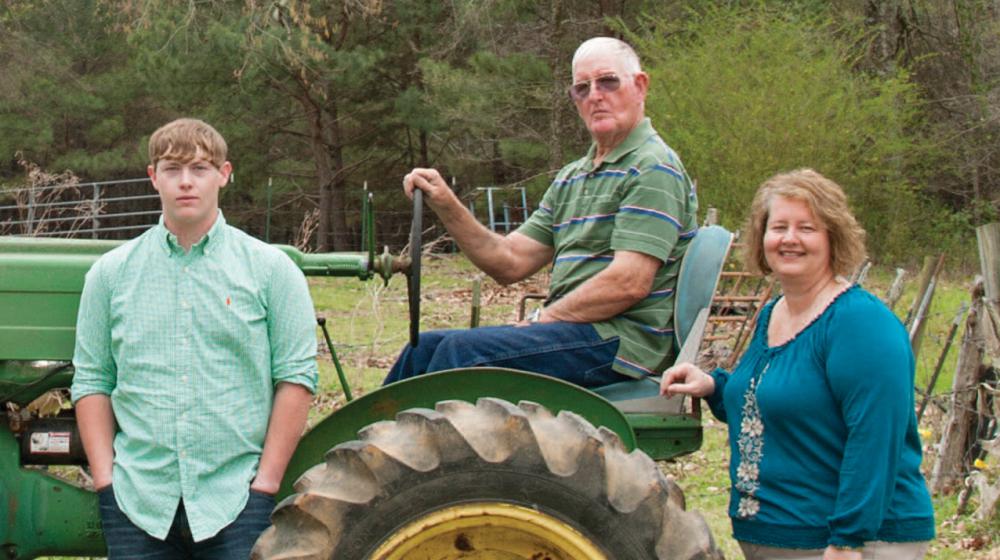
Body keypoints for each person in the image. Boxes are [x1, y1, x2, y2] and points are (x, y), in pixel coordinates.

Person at [384, 37, 698, 387]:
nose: (595, 95)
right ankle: (371, 439)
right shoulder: (573, 177)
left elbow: (628, 282)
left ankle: (419, 442)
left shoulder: (652, 168)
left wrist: (544, 318)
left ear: (640, 86)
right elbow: (509, 261)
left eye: (608, 81)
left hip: (623, 344)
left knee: (461, 354)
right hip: (576, 332)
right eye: (582, 88)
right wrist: (446, 203)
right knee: (424, 348)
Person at [71, 118, 318, 559]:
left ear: (224, 174)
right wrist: (107, 482)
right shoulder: (110, 274)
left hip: (238, 498)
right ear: (153, 177)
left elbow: (296, 378)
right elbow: (92, 381)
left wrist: (265, 484)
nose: (186, 182)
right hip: (138, 502)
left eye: (200, 168)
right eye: (172, 169)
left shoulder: (271, 270)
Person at [661, 169, 934, 560]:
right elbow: (772, 401)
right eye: (779, 227)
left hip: (848, 543)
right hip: (781, 539)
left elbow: (876, 437)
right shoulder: (774, 314)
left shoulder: (859, 323)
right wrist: (713, 386)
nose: (789, 239)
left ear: (832, 238)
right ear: (762, 238)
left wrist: (847, 540)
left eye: (807, 228)